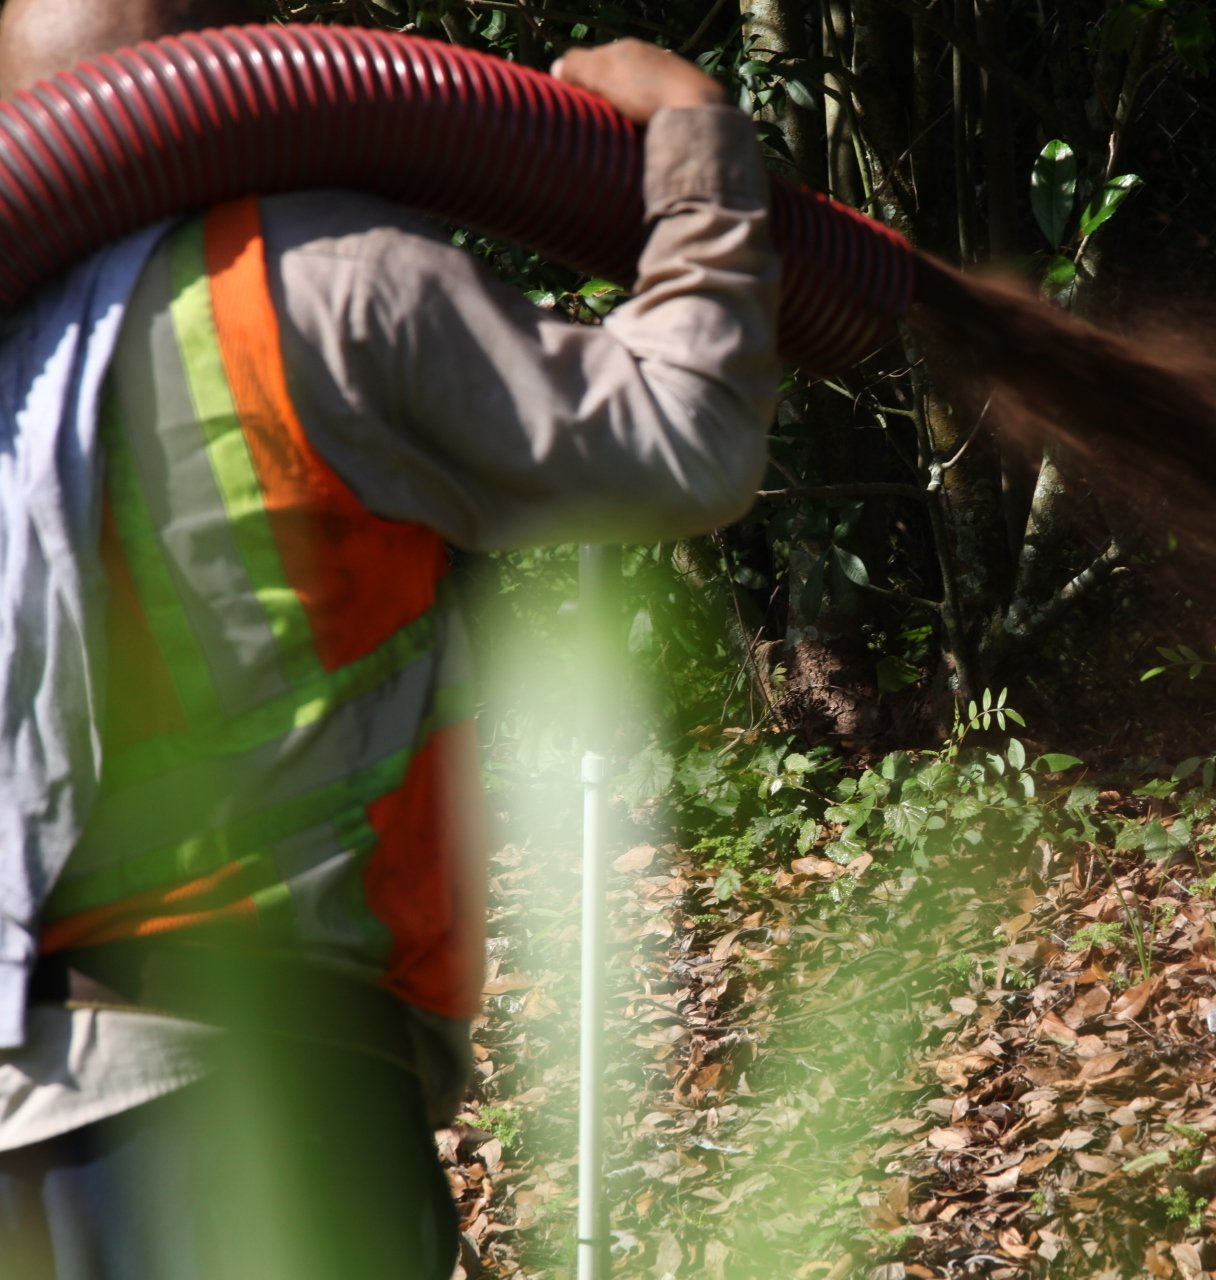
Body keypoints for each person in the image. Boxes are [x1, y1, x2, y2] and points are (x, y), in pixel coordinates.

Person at [0, 1, 780, 1275]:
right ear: (230, 72)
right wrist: (697, 149)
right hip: (257, 1103)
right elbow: (683, 434)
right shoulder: (316, 282)